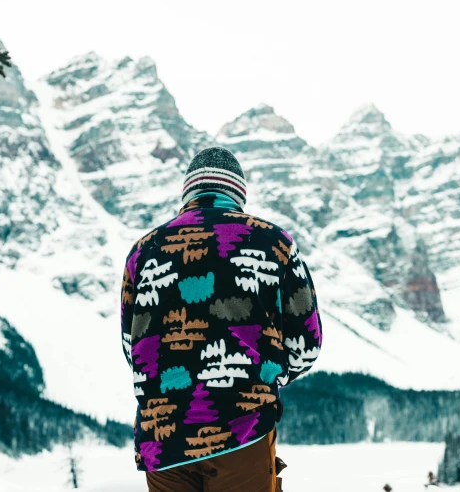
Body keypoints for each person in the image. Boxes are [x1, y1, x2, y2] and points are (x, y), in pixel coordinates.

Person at [120, 147, 323, 492]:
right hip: (243, 427)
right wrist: (267, 373)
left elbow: (132, 347)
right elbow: (306, 346)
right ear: (238, 193)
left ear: (188, 193)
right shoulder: (275, 243)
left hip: (162, 437)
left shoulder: (142, 251)